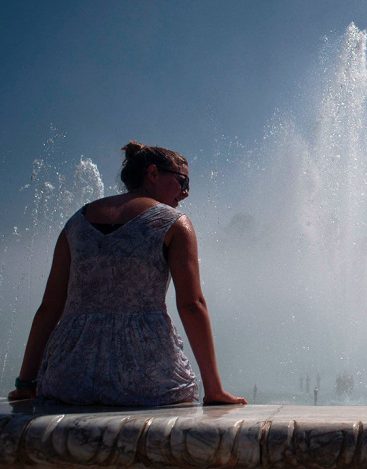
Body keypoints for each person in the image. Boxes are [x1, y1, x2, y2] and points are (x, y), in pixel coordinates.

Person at [7, 142, 246, 407]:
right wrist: (214, 390)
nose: (186, 192)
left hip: (69, 378)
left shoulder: (75, 224)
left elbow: (49, 307)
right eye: (182, 180)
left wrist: (26, 382)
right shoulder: (174, 224)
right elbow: (192, 304)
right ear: (153, 173)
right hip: (147, 378)